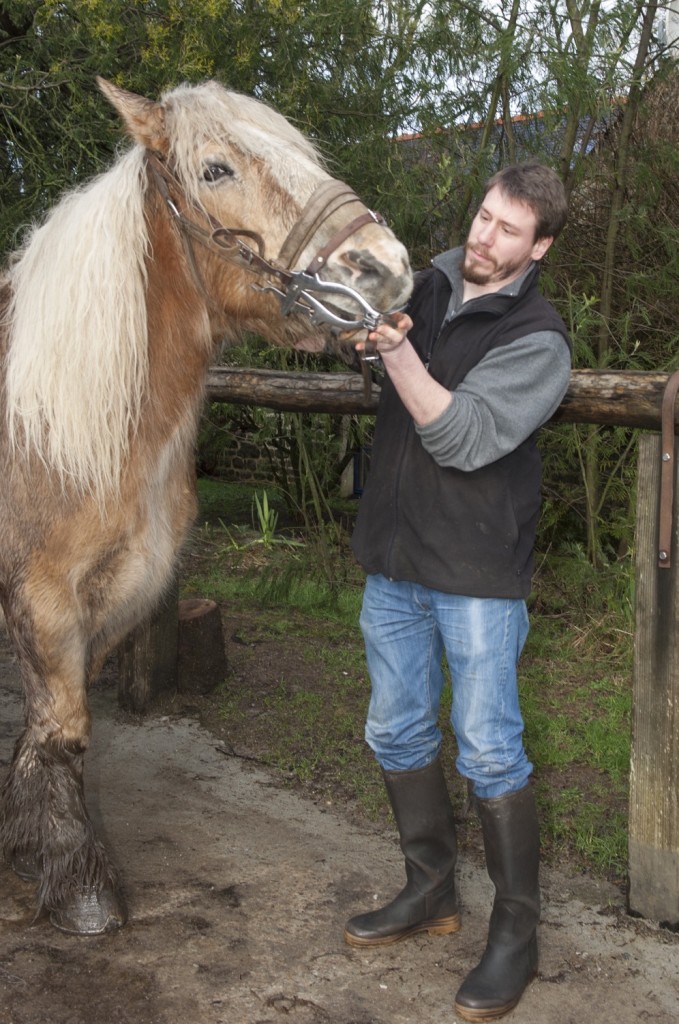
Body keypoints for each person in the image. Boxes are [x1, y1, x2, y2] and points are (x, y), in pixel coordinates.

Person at [346, 162, 571, 1022]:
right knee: (395, 728)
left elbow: (462, 438)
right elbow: (365, 347)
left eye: (506, 230)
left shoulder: (539, 340)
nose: (483, 239)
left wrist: (396, 351)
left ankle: (516, 933)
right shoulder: (428, 282)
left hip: (476, 576)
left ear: (536, 246)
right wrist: (364, 333)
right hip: (394, 562)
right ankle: (429, 891)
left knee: (487, 749)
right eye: (482, 218)